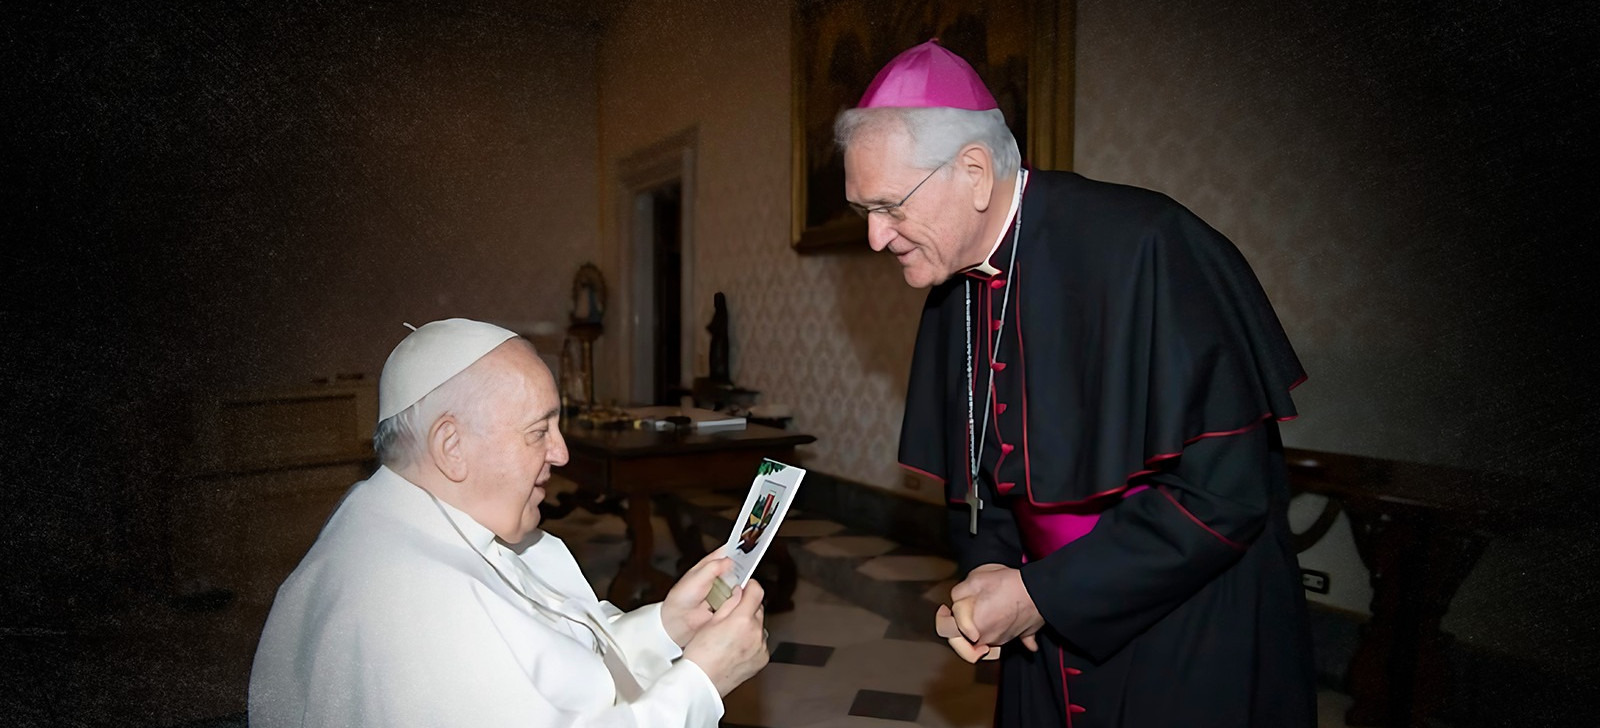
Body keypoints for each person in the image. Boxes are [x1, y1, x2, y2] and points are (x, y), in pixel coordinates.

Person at [836, 41, 1316, 726]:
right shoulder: (956, 282)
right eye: (864, 211)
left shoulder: (1148, 245)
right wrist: (991, 572)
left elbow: (1222, 497)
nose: (877, 238)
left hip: (1184, 628)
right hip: (1039, 623)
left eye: (890, 206)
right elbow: (982, 472)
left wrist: (1043, 595)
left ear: (974, 172)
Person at [249, 318, 769, 727]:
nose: (561, 453)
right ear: (452, 447)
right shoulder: (423, 608)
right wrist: (703, 681)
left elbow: (558, 670)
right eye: (538, 431)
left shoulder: (410, 519)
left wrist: (668, 626)